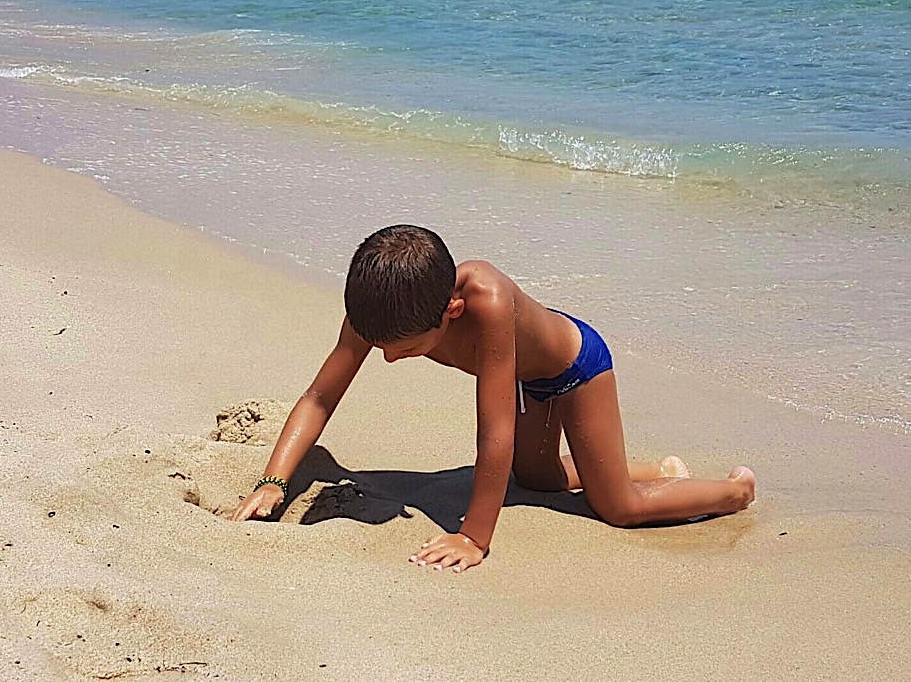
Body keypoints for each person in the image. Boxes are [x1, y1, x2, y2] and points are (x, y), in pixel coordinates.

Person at [231, 225, 756, 573]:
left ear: (452, 311)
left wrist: (474, 537)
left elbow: (495, 432)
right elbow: (320, 397)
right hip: (530, 383)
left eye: (406, 349)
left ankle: (733, 491)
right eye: (383, 347)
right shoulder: (381, 308)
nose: (388, 359)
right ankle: (654, 469)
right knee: (538, 480)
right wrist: (274, 481)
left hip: (577, 368)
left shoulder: (488, 301)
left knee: (618, 508)